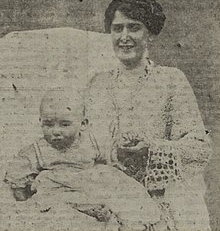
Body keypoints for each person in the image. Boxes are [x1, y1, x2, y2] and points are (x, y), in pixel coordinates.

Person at [86, 0, 212, 231]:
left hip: (158, 199)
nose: (124, 36)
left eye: (134, 27)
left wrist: (152, 149)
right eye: (117, 28)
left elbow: (199, 148)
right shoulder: (96, 84)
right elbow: (84, 144)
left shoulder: (171, 80)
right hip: (105, 200)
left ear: (151, 33)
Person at [4, 87, 161, 231]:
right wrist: (22, 199)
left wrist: (122, 147)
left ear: (83, 124)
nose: (56, 131)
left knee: (118, 187)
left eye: (65, 125)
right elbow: (18, 174)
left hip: (89, 186)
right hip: (60, 190)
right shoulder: (38, 149)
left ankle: (128, 219)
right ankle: (91, 213)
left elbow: (109, 157)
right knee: (56, 211)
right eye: (48, 124)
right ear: (40, 122)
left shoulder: (90, 142)